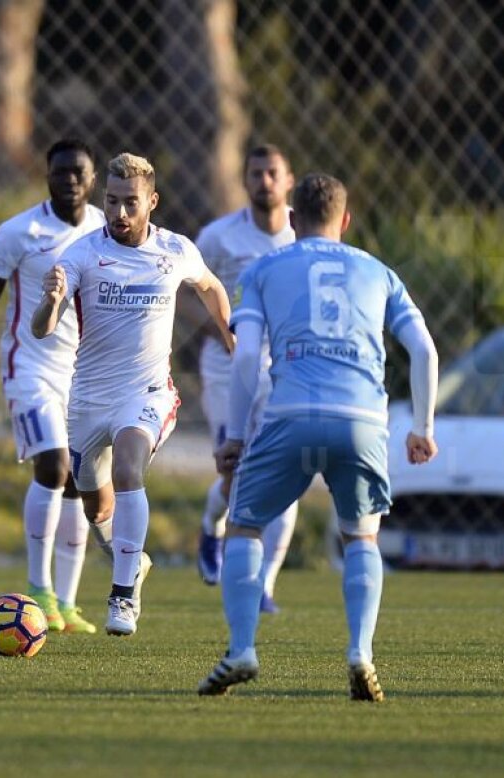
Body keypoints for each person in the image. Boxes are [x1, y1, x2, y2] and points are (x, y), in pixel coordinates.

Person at [197, 173, 439, 701]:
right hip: (361, 421)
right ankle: (360, 653)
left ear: (290, 218)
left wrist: (236, 436)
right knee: (361, 537)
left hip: (291, 416)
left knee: (243, 527)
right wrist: (422, 427)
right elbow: (423, 349)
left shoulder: (263, 270)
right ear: (345, 221)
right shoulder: (379, 272)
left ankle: (242, 649)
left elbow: (243, 356)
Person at [32, 152, 234, 637]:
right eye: (112, 202)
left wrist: (229, 331)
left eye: (130, 203)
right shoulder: (81, 254)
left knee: (128, 464)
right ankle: (132, 563)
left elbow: (209, 285)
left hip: (146, 393)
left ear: (152, 202)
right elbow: (41, 329)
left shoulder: (176, 250)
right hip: (88, 400)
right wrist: (53, 300)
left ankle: (123, 598)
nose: (120, 214)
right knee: (95, 507)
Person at [0, 139, 106, 635]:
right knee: (54, 463)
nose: (69, 179)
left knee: (78, 480)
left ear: (92, 180)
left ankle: (66, 604)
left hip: (82, 374)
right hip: (31, 367)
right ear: (47, 176)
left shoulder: (103, 234)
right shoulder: (20, 232)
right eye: (60, 171)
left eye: (78, 172)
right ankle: (38, 589)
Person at [195, 145, 298, 613]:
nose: (265, 182)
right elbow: (187, 291)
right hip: (228, 367)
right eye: (255, 173)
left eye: (272, 173)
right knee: (233, 472)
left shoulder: (305, 234)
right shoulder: (218, 237)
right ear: (245, 180)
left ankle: (266, 585)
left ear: (289, 180)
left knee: (287, 470)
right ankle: (211, 526)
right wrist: (220, 330)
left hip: (286, 368)